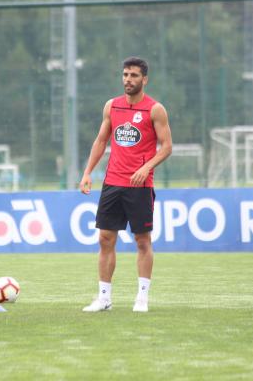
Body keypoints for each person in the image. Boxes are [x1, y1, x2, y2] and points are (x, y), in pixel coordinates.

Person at [80, 56, 172, 313]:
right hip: (112, 183)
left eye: (133, 75)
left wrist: (146, 167)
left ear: (144, 79)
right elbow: (101, 141)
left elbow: (167, 147)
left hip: (140, 186)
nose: (128, 80)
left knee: (142, 240)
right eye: (125, 75)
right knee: (105, 238)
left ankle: (142, 298)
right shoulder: (112, 106)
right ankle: (104, 298)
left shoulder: (155, 110)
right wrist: (88, 172)